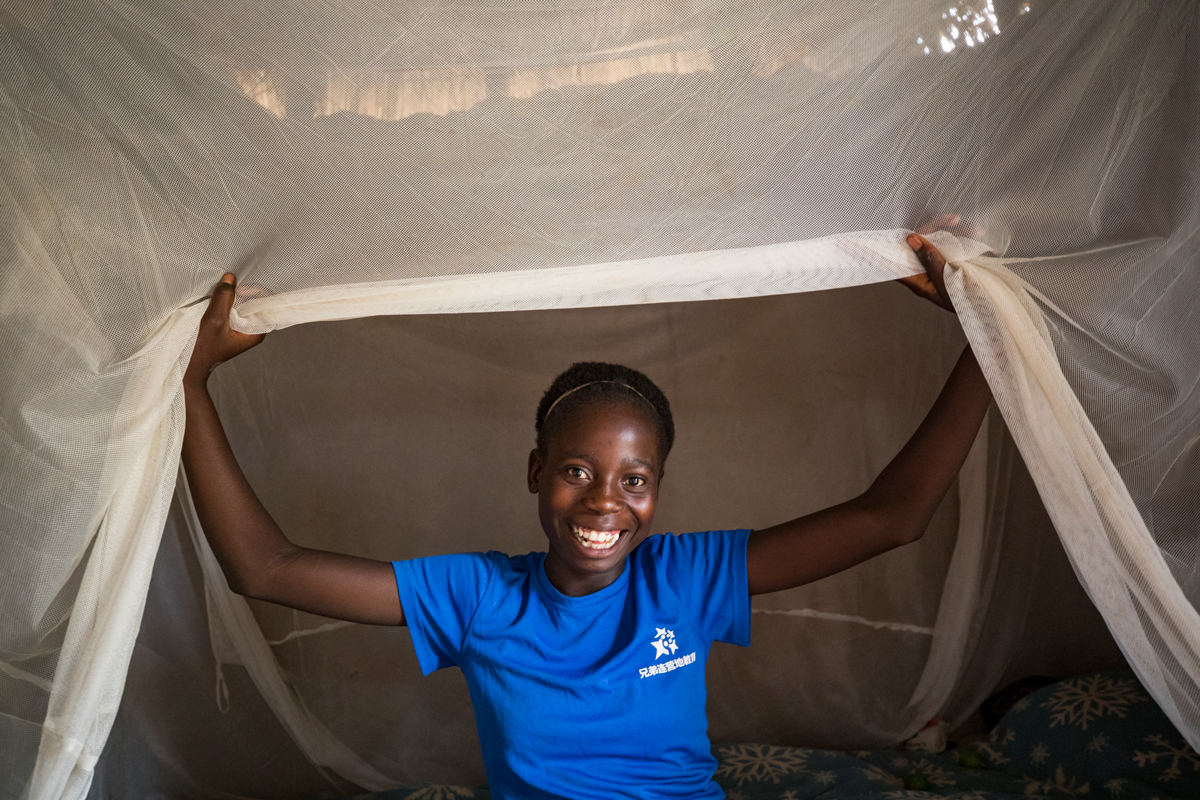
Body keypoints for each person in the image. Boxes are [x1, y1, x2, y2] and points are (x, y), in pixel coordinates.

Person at [181, 233, 990, 799]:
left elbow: (894, 516)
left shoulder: (686, 578)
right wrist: (189, 388)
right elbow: (265, 568)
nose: (606, 501)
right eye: (577, 471)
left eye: (635, 479)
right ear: (536, 472)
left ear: (659, 491)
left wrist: (988, 341)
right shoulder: (478, 597)